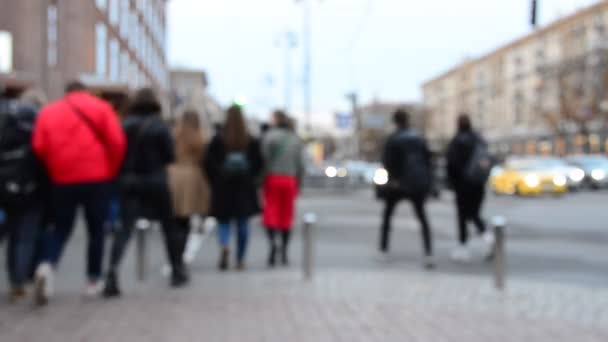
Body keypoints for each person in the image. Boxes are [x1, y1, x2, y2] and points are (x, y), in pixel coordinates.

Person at [32, 81, 126, 304]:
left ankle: (46, 265)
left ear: (66, 92)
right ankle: (93, 280)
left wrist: (55, 167)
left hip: (62, 178)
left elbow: (39, 147)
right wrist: (109, 170)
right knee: (96, 230)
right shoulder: (102, 108)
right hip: (96, 177)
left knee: (60, 227)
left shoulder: (49, 111)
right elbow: (117, 143)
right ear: (85, 91)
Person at [104, 88, 185, 297]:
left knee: (125, 229)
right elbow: (170, 156)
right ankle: (176, 270)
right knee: (169, 226)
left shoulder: (124, 125)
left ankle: (112, 274)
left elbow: (115, 152)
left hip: (130, 181)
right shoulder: (160, 126)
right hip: (156, 180)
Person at [0, 89, 50, 302]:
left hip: (5, 190)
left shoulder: (5, 126)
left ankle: (15, 283)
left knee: (10, 236)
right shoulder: (41, 128)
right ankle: (21, 280)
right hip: (33, 190)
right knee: (25, 238)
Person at [204, 105, 263, 271]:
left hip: (223, 187)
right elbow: (259, 163)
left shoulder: (218, 139)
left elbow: (208, 163)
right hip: (244, 188)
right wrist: (251, 178)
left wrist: (216, 179)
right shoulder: (250, 139)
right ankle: (240, 258)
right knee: (243, 224)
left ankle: (224, 244)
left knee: (223, 222)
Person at [379, 109, 435, 269]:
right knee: (422, 218)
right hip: (416, 184)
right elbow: (428, 160)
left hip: (397, 185)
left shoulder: (393, 138)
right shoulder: (418, 137)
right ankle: (428, 253)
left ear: (395, 121)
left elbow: (387, 161)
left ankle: (384, 249)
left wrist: (392, 180)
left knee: (387, 217)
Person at [446, 114, 494, 263]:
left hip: (462, 185)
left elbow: (452, 165)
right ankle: (488, 237)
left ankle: (463, 247)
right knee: (474, 214)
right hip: (478, 184)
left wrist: (452, 184)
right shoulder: (479, 139)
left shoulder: (457, 141)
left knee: (463, 216)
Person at [168, 110, 210, 269]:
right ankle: (180, 257)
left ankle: (174, 257)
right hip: (191, 177)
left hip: (172, 176)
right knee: (185, 221)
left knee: (173, 221)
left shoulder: (174, 135)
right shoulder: (200, 138)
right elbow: (204, 160)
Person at [261, 110, 304, 267]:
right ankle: (285, 251)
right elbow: (301, 164)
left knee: (270, 214)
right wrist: (300, 184)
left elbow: (263, 159)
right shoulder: (295, 139)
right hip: (290, 180)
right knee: (286, 216)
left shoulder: (269, 137)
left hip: (272, 178)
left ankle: (273, 243)